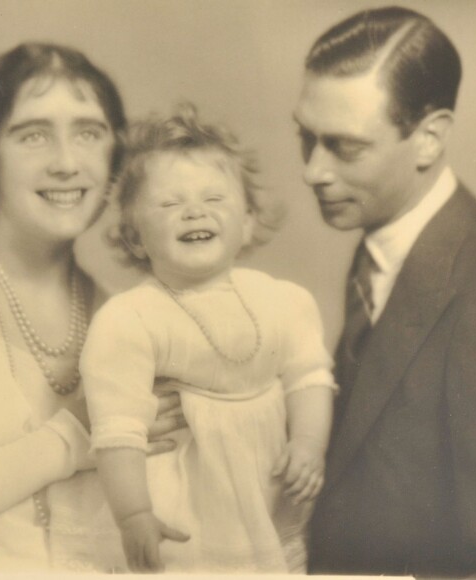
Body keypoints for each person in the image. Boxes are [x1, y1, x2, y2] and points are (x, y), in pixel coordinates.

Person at [0, 42, 185, 574]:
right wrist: (70, 439)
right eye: (33, 135)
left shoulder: (132, 323)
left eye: (89, 133)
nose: (67, 163)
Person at [79, 105, 337, 573]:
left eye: (214, 199)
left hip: (269, 490)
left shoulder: (284, 301)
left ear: (247, 223)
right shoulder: (129, 319)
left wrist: (308, 443)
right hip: (183, 507)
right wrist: (133, 513)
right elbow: (118, 430)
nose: (194, 211)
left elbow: (308, 378)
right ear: (135, 238)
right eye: (169, 203)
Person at [293, 6, 476, 577]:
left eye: (344, 147)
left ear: (429, 138)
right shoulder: (379, 245)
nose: (313, 170)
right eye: (305, 138)